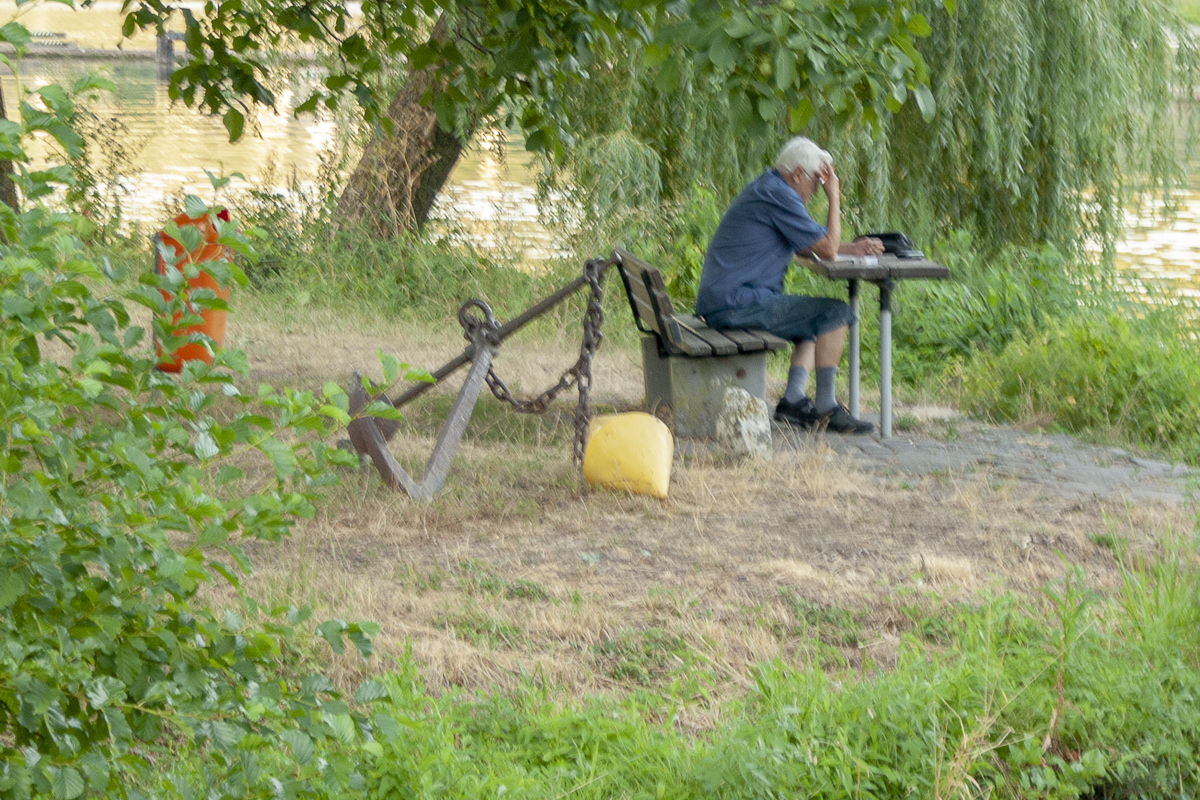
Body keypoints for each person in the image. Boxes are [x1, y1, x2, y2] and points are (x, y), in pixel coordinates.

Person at [695, 136, 883, 434]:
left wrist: (853, 249)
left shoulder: (769, 188)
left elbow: (807, 246)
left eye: (823, 185)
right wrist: (835, 196)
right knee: (835, 314)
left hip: (730, 299)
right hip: (737, 303)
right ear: (798, 174)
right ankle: (826, 408)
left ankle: (793, 400)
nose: (817, 190)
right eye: (816, 182)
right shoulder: (779, 194)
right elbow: (827, 249)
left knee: (812, 323)